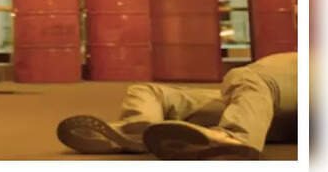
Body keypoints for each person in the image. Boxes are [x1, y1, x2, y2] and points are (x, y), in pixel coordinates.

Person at [56, 52, 298, 160]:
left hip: (279, 86)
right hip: (269, 104)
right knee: (149, 91)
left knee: (248, 78)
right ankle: (139, 129)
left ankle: (235, 140)